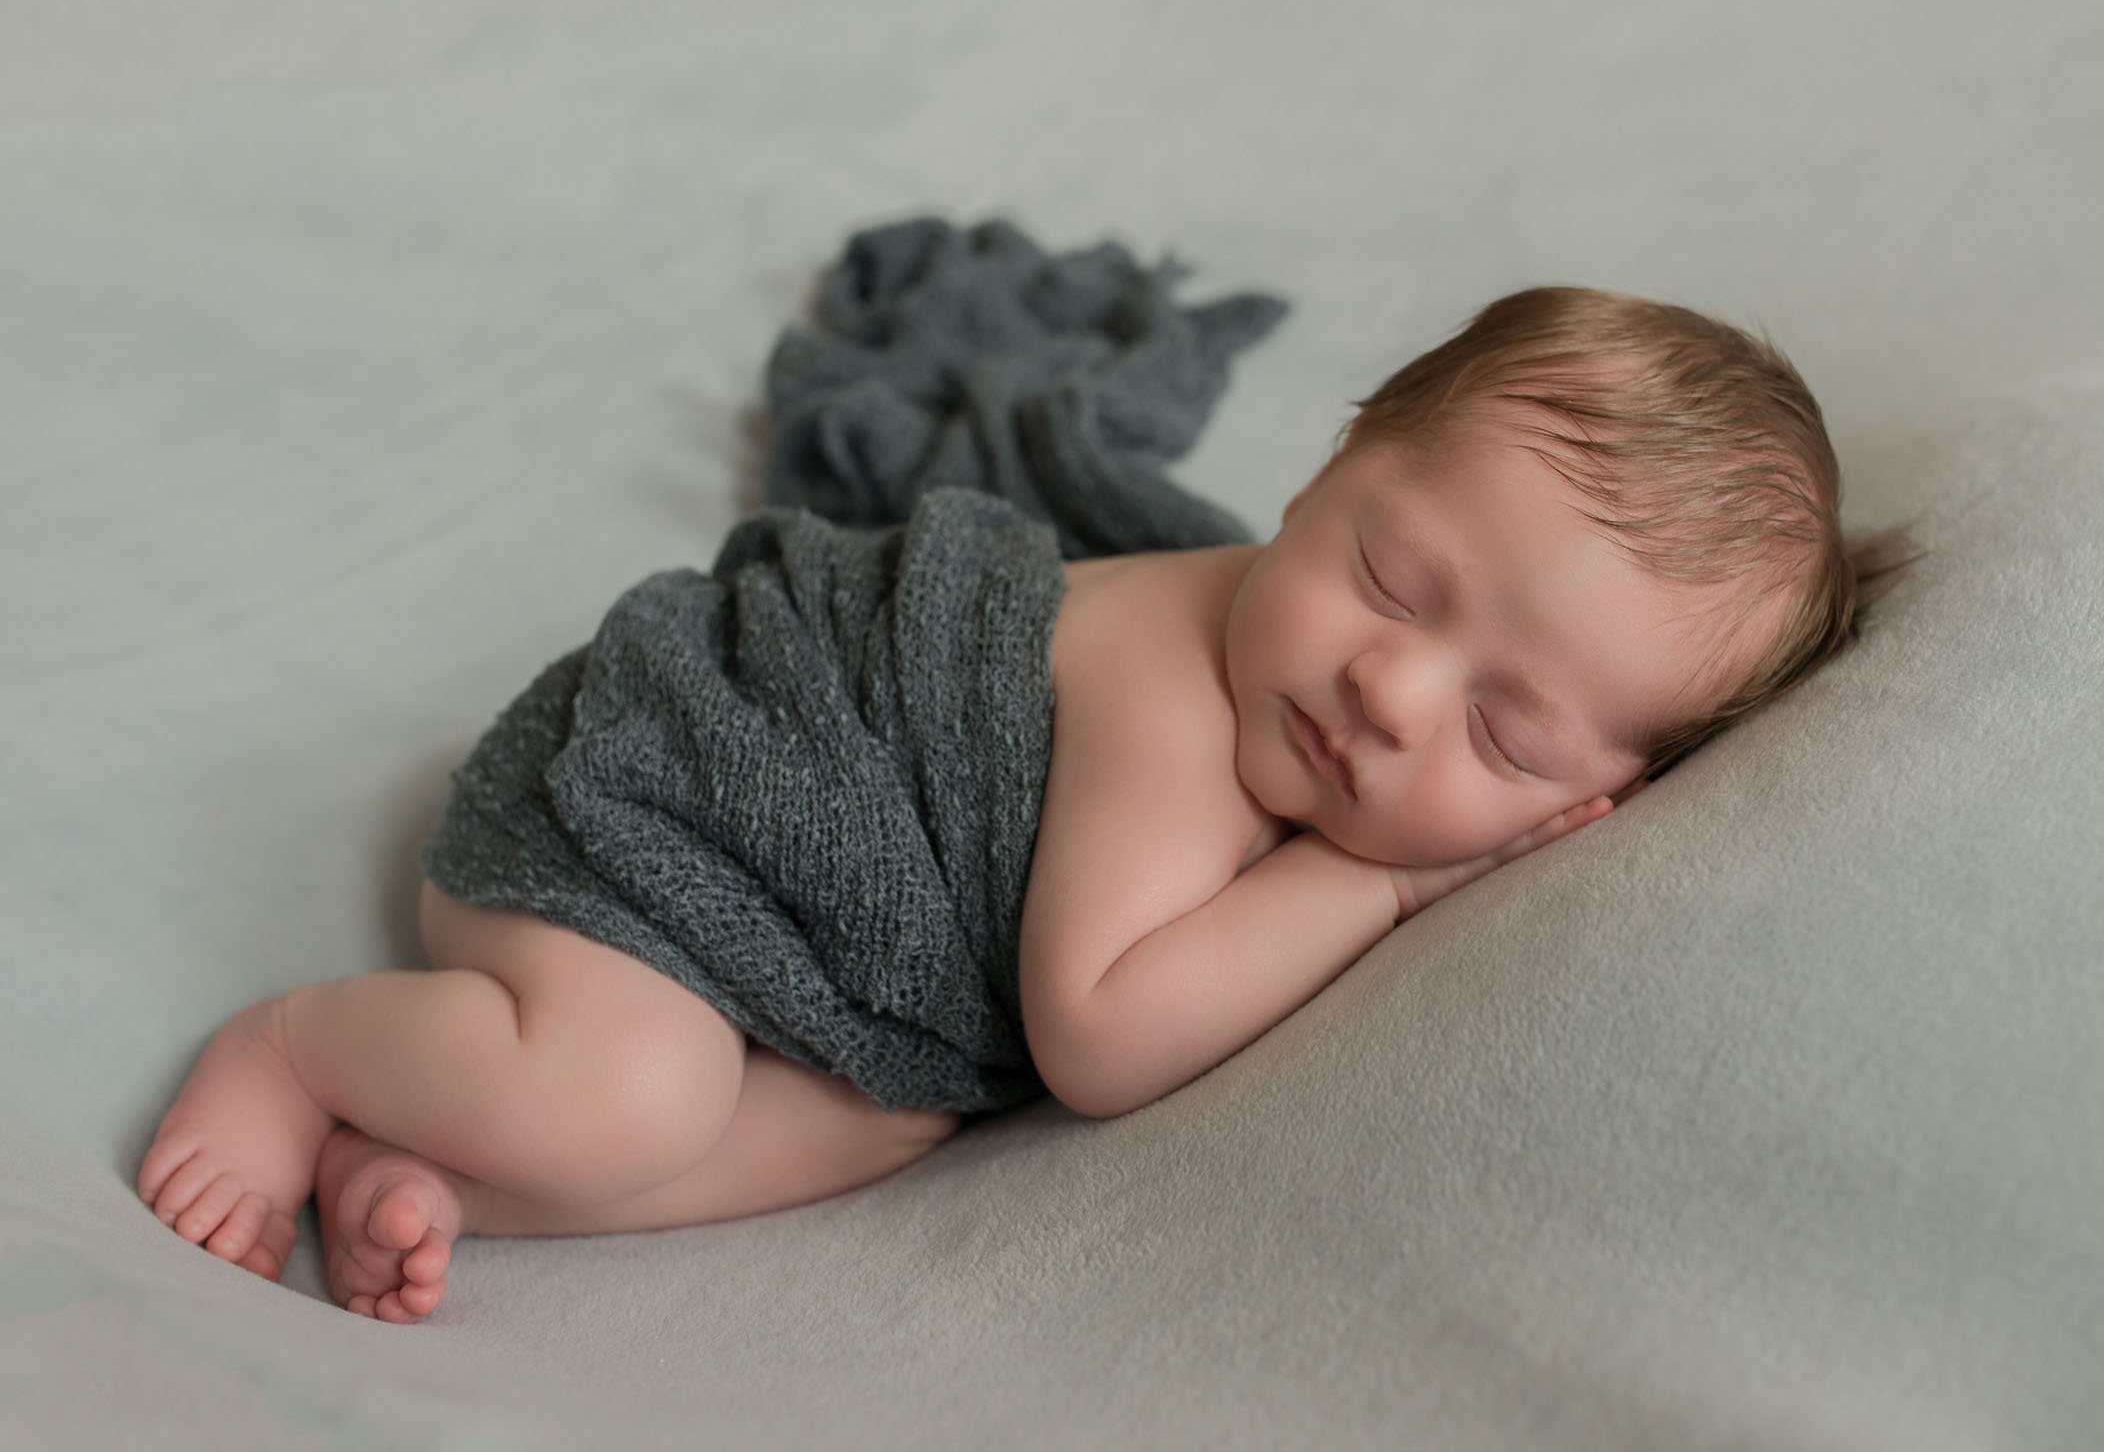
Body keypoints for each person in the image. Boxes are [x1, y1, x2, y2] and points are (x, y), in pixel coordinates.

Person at [134, 284, 1923, 1323]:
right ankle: (300, 1052)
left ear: (1596, 806)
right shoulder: (1170, 702)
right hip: (645, 818)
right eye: (1388, 577)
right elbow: (1098, 1036)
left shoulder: (1322, 698)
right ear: (1326, 471)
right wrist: (1370, 889)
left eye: (1508, 737)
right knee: (638, 1094)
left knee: (870, 1125)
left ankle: (434, 1164)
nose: (1390, 691)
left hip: (777, 946)